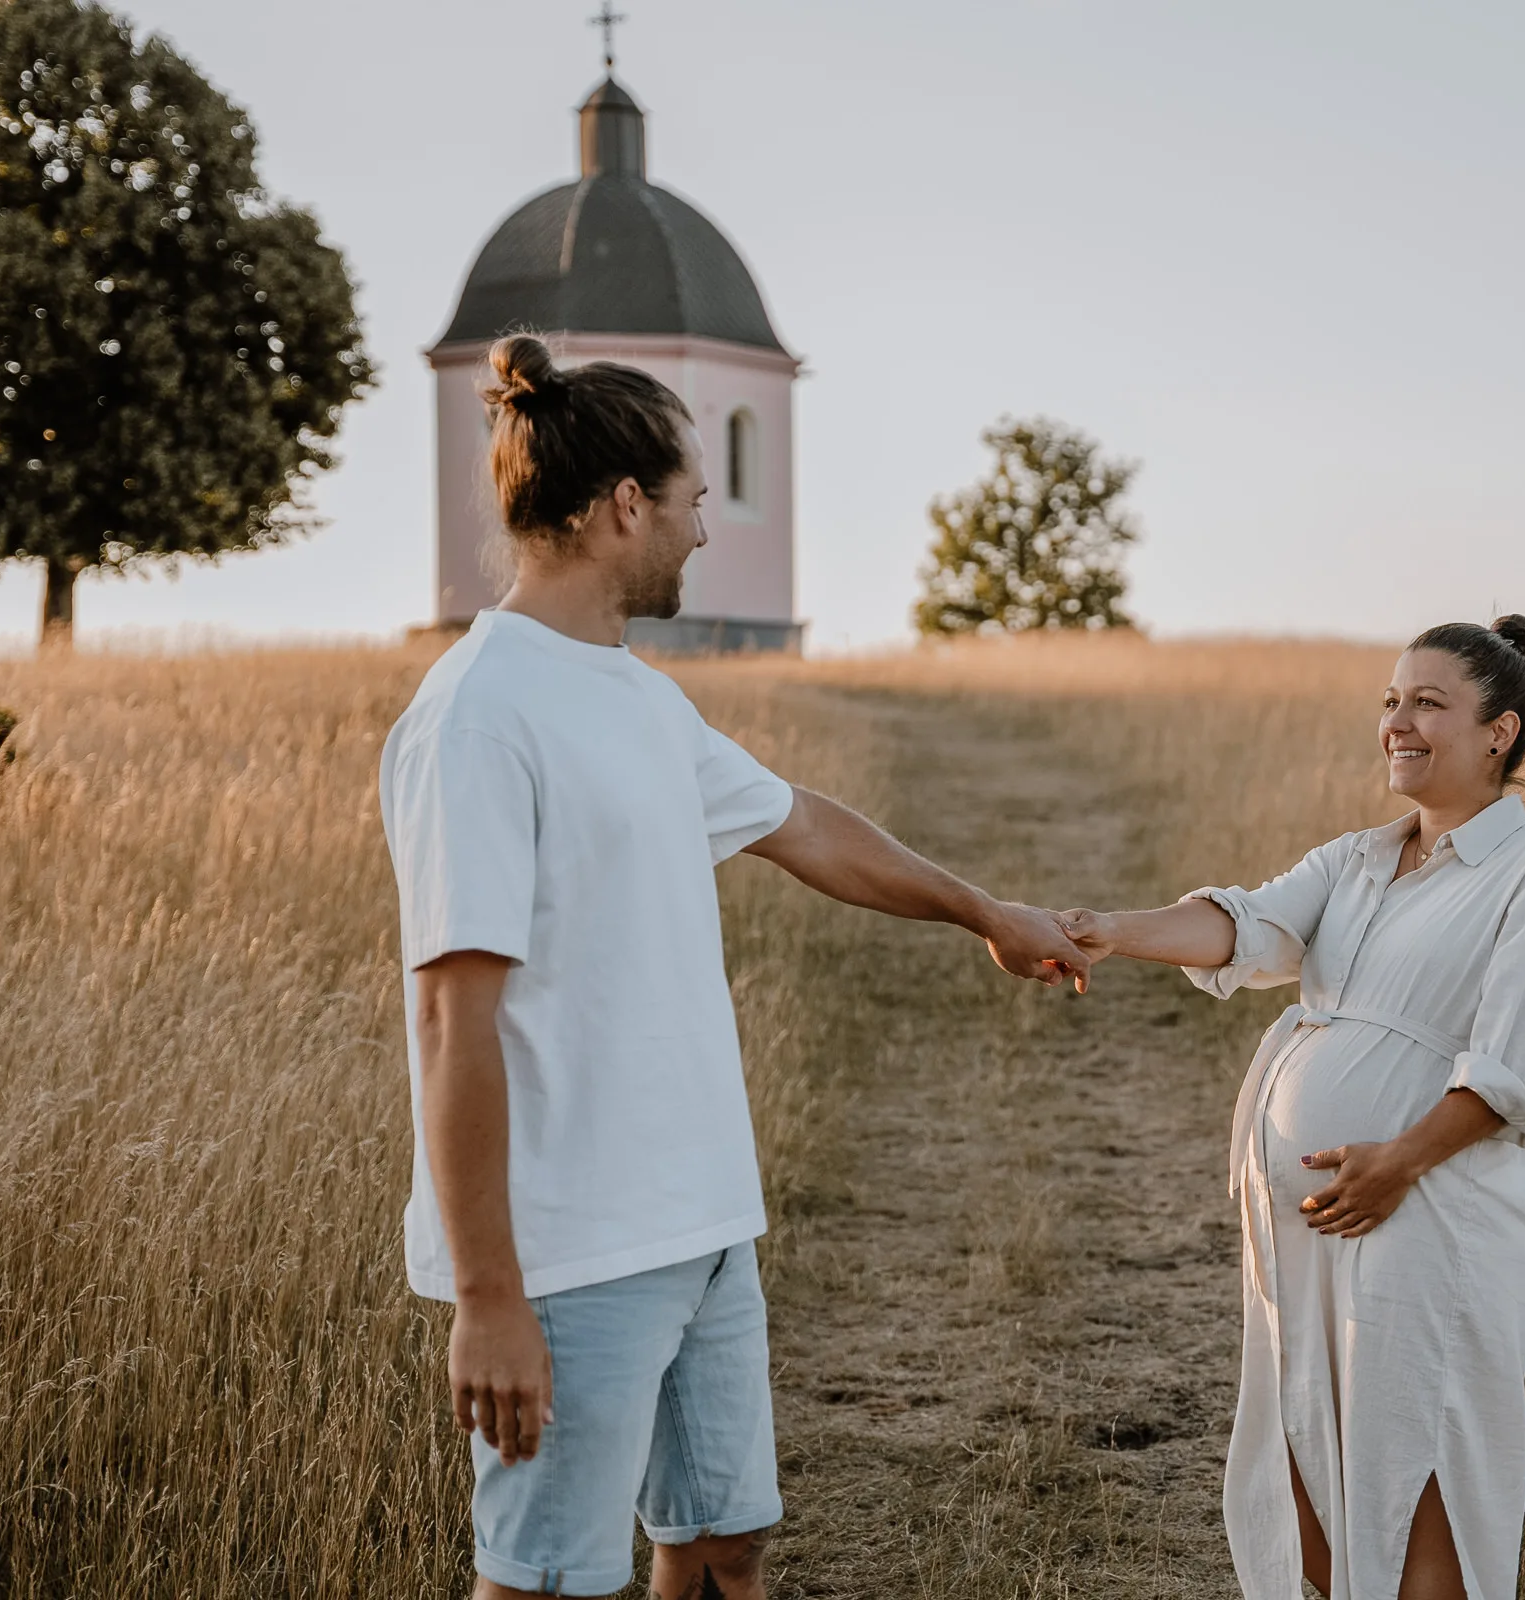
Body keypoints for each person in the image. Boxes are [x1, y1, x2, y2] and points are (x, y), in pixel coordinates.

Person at [378, 334, 1088, 1600]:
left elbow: (802, 825)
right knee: (544, 1580)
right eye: (694, 500)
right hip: (575, 1251)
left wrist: (983, 910)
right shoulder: (479, 714)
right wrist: (489, 1293)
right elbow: (450, 1021)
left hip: (703, 1219)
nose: (706, 529)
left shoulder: (641, 700)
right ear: (622, 508)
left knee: (721, 1549)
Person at [1057, 618, 1525, 1600]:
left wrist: (1395, 1163)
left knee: (1418, 1462)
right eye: (1392, 700)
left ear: (1499, 731)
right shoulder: (1357, 859)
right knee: (1308, 1460)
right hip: (1307, 1225)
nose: (1398, 721)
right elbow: (1243, 923)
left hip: (1424, 1216)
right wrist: (1107, 931)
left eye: (1429, 702)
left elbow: (1515, 1066)